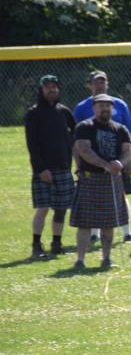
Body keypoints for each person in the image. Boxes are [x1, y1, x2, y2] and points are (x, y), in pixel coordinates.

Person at [70, 94, 131, 269]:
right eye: (100, 105)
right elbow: (83, 150)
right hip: (90, 178)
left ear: (112, 109)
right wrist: (106, 165)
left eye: (107, 105)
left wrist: (121, 163)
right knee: (84, 223)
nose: (104, 108)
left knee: (108, 223)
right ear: (94, 108)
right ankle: (80, 260)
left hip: (110, 180)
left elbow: (129, 150)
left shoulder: (120, 129)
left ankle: (106, 259)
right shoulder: (84, 126)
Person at [74, 70, 131, 243]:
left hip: (118, 161)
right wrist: (78, 164)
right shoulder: (81, 108)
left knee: (121, 194)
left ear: (107, 84)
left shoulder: (119, 104)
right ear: (89, 85)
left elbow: (130, 134)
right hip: (93, 162)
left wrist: (130, 161)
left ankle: (127, 232)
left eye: (103, 81)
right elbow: (77, 142)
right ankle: (94, 233)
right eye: (96, 82)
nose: (100, 85)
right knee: (94, 198)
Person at [24, 74, 76, 259]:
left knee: (61, 209)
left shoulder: (64, 112)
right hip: (44, 170)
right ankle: (36, 244)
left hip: (63, 168)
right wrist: (40, 169)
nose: (52, 89)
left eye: (54, 86)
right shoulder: (33, 113)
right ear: (41, 90)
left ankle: (56, 242)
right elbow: (32, 145)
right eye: (47, 87)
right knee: (43, 208)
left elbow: (76, 136)